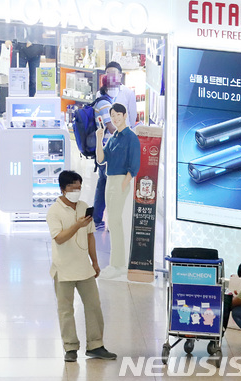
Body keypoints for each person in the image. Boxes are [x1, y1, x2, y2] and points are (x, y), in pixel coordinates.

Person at [46, 170, 116, 362]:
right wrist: (77, 225)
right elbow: (59, 238)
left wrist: (94, 261)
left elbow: (90, 235)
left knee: (94, 305)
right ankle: (70, 347)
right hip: (63, 268)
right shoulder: (54, 211)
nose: (76, 191)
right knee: (66, 309)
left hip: (84, 267)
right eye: (72, 188)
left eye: (78, 187)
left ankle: (96, 345)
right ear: (62, 189)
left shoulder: (83, 206)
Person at [95, 103, 140, 279]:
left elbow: (134, 164)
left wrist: (124, 183)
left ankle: (118, 264)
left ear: (124, 115)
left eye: (117, 115)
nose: (114, 118)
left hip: (120, 181)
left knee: (115, 222)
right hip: (110, 180)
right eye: (112, 115)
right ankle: (117, 264)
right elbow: (101, 159)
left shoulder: (131, 138)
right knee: (112, 223)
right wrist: (99, 139)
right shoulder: (113, 137)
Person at [93, 62, 137, 229]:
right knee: (110, 182)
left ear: (120, 75)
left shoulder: (127, 93)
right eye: (108, 74)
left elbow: (132, 119)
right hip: (107, 146)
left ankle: (100, 219)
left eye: (114, 74)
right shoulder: (101, 95)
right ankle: (106, 220)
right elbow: (106, 124)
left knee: (106, 182)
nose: (111, 77)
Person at [91, 75, 114, 230]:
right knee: (110, 184)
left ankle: (97, 218)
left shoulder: (100, 101)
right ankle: (110, 220)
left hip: (102, 149)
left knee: (103, 183)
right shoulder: (105, 104)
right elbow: (111, 128)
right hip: (106, 149)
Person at [18, 26, 43, 97]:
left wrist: (31, 41)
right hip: (21, 51)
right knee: (20, 77)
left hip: (35, 51)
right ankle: (21, 96)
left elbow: (40, 32)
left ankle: (31, 97)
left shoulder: (37, 21)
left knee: (34, 79)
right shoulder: (20, 21)